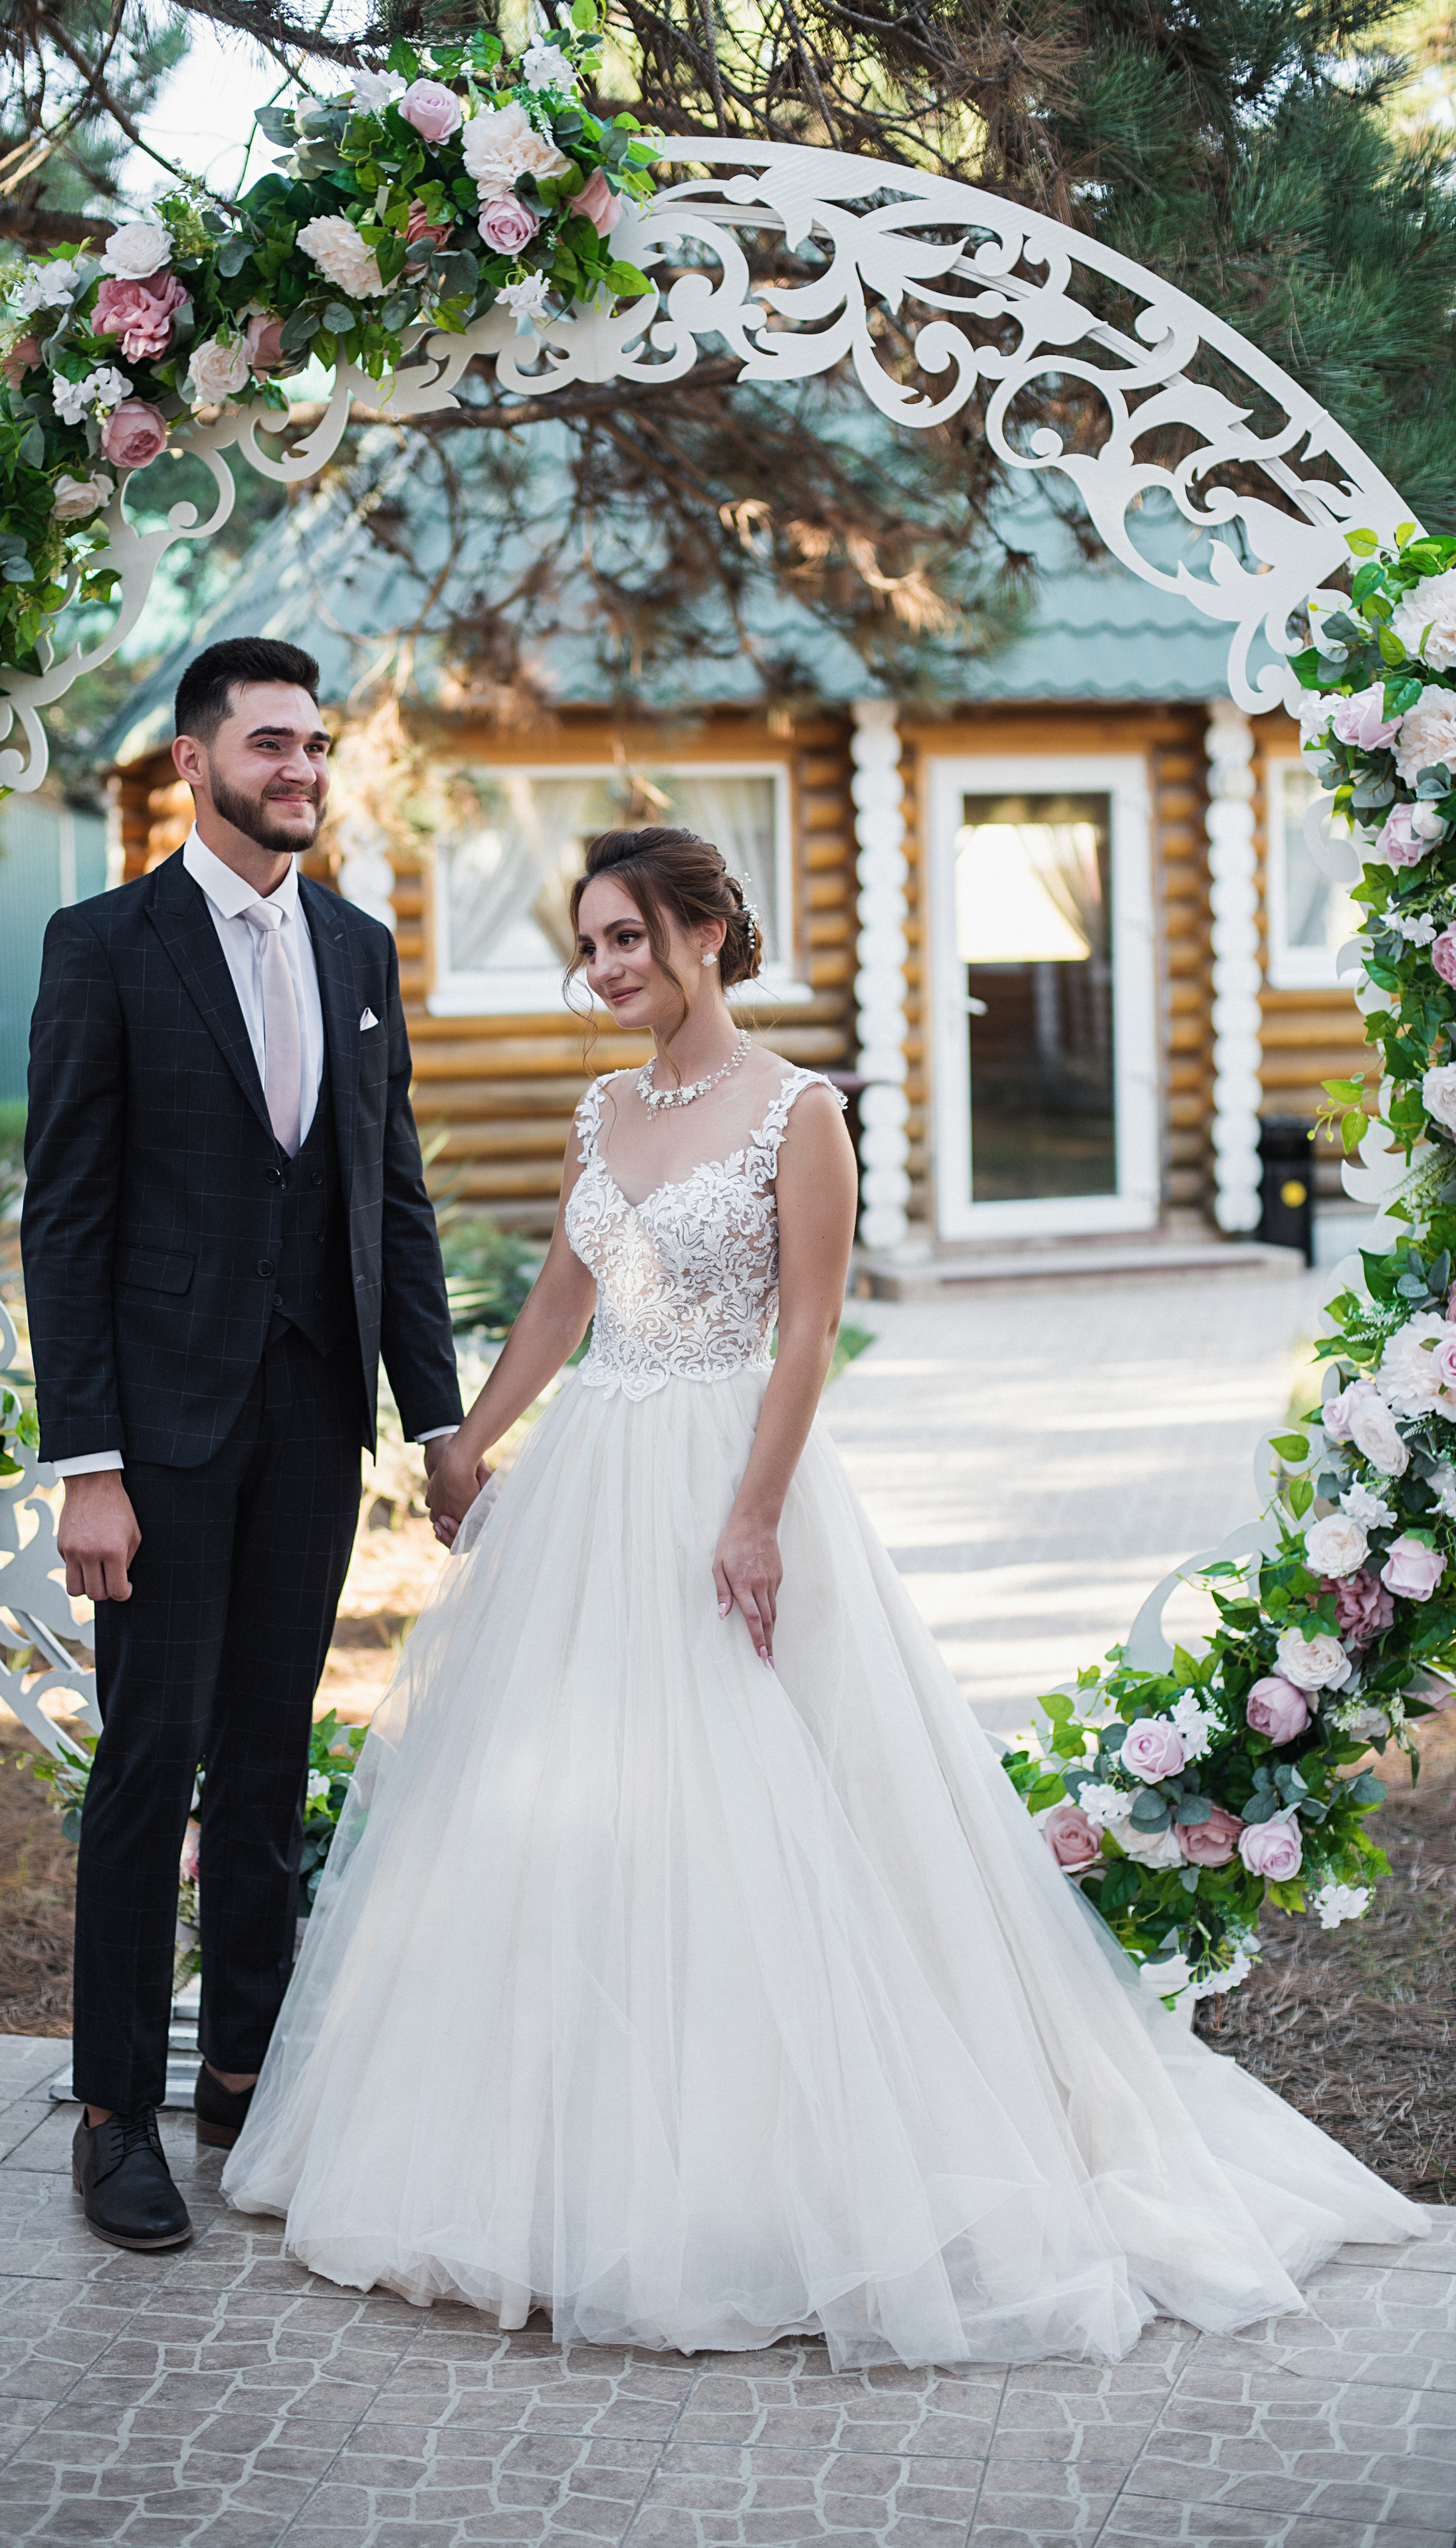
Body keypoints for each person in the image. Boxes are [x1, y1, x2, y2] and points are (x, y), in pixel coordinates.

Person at [222, 822, 1423, 2368]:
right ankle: (568, 2162)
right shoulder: (598, 1113)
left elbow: (804, 1337)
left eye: (630, 937)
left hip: (732, 1473)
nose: (606, 967)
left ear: (710, 934)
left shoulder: (798, 1113)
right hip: (592, 1479)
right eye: (587, 942)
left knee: (769, 1814)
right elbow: (558, 1306)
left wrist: (753, 1516)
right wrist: (462, 1443)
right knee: (579, 1815)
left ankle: (772, 2175)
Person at [22, 636, 464, 2252]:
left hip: (308, 1416)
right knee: (150, 1770)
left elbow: (387, 1196)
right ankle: (114, 2111)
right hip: (161, 1430)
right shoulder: (105, 943)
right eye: (270, 743)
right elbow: (63, 1219)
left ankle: (247, 2078)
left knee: (272, 1767)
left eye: (316, 745)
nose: (300, 770)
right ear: (197, 759)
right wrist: (90, 1464)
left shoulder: (356, 947)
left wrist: (439, 1417)